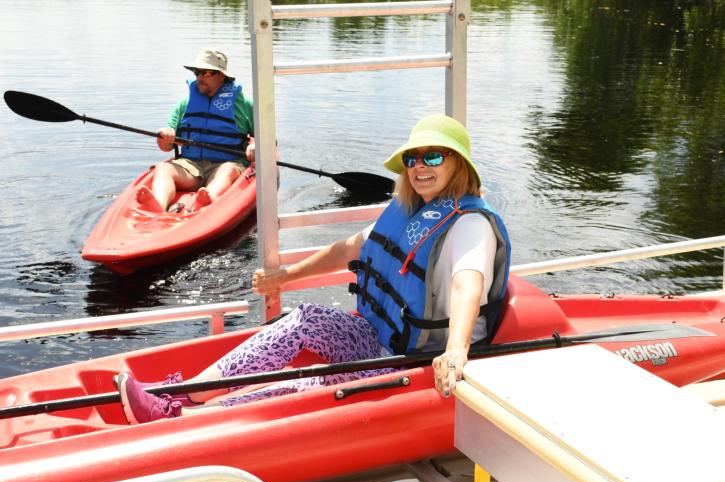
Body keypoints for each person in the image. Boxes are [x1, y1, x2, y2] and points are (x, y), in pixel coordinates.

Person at [115, 115, 511, 425]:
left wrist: (456, 351)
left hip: (410, 361)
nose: (420, 167)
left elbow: (467, 286)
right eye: (413, 158)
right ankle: (186, 392)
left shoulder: (470, 225)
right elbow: (350, 249)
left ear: (459, 164)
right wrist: (286, 277)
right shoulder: (413, 209)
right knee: (305, 319)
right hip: (379, 337)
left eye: (434, 157)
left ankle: (182, 417)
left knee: (311, 382)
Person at [136, 48, 255, 213]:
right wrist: (165, 136)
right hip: (191, 167)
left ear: (221, 75)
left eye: (205, 73)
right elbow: (165, 147)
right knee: (163, 169)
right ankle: (158, 205)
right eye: (196, 73)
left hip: (226, 165)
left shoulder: (245, 105)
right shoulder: (184, 104)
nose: (199, 78)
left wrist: (255, 146)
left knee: (227, 171)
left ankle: (206, 201)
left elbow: (267, 139)